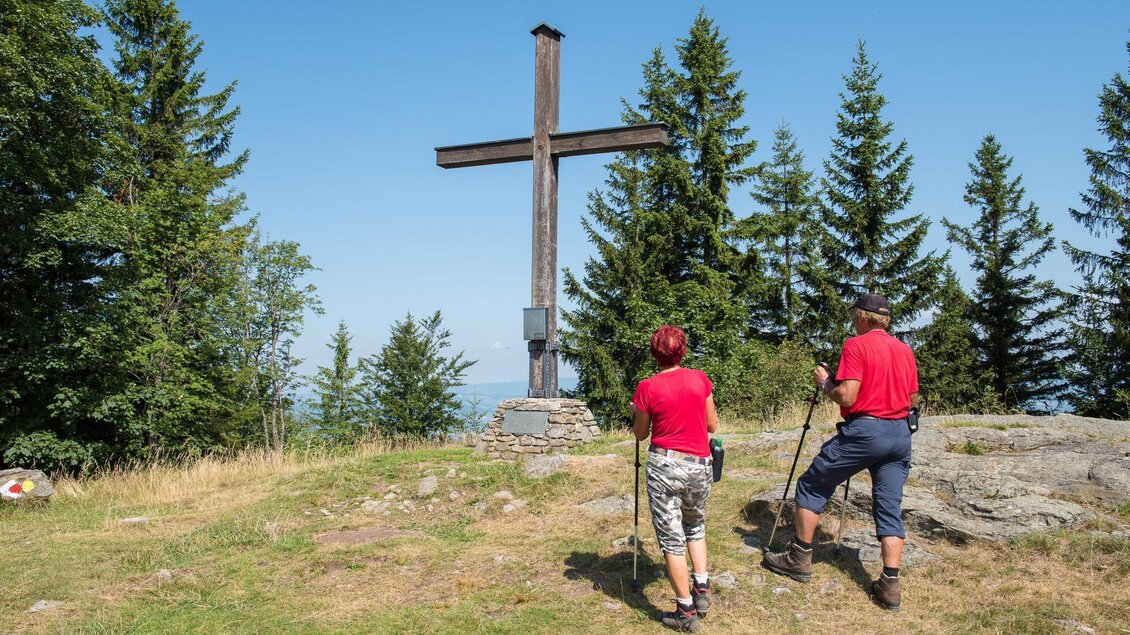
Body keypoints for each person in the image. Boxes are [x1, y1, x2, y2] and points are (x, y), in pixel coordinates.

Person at [761, 293, 919, 611]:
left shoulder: (856, 345)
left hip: (865, 432)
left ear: (862, 317)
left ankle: (799, 557)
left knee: (812, 484)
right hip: (899, 433)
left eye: (854, 315)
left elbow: (847, 397)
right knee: (888, 505)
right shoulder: (904, 350)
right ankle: (890, 583)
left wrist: (825, 383)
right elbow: (913, 398)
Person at [632, 325, 720, 632]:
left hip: (665, 466)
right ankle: (702, 587)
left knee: (671, 537)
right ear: (682, 350)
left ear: (654, 353)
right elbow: (712, 425)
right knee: (695, 524)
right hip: (700, 464)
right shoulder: (700, 380)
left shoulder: (647, 387)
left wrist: (640, 415)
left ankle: (685, 610)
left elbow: (641, 434)